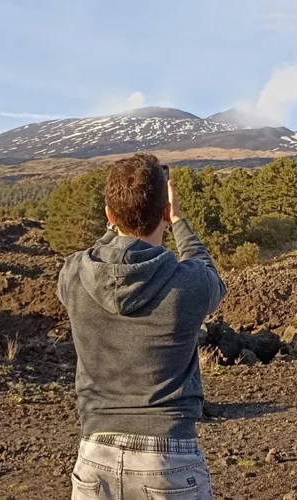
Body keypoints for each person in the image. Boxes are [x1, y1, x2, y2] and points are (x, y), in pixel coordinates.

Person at [57, 153, 226, 500]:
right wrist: (178, 220)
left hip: (94, 458)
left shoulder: (72, 274)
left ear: (108, 215)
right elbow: (208, 271)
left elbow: (98, 254)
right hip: (169, 462)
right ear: (164, 212)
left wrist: (114, 225)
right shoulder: (190, 285)